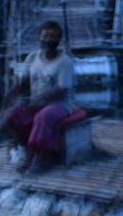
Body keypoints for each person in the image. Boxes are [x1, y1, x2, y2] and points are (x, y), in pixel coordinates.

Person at [4, 20, 76, 173]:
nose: (49, 40)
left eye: (53, 37)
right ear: (39, 38)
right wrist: (10, 94)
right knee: (12, 113)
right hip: (36, 103)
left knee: (43, 116)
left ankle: (41, 156)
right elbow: (23, 81)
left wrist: (40, 98)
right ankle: (22, 144)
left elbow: (62, 90)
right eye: (45, 36)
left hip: (60, 106)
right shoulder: (32, 57)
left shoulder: (65, 62)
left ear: (58, 40)